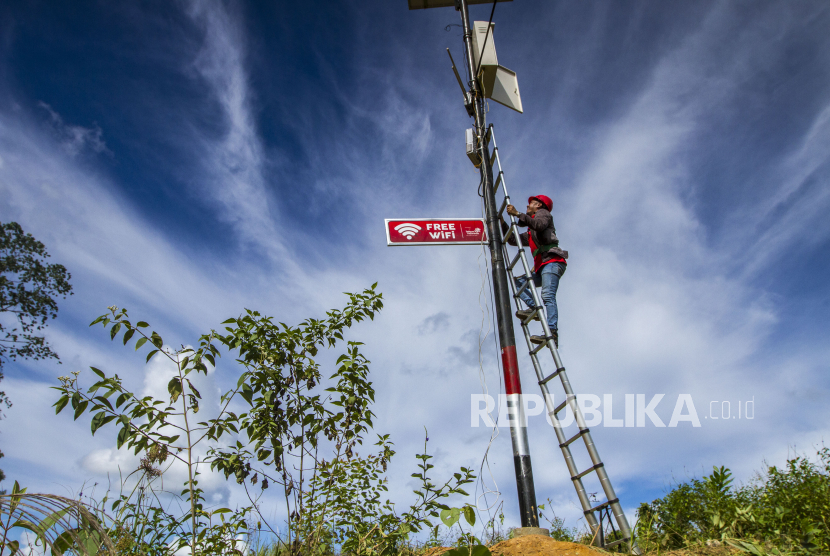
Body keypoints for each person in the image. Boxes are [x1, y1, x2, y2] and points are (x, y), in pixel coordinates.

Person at [502, 195, 568, 347]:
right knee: (519, 282)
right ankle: (535, 309)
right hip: (542, 266)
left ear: (538, 205)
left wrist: (518, 214)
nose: (527, 205)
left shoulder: (544, 215)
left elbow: (539, 224)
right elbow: (513, 240)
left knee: (547, 295)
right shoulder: (531, 232)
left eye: (530, 203)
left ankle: (552, 332)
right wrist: (502, 222)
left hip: (552, 262)